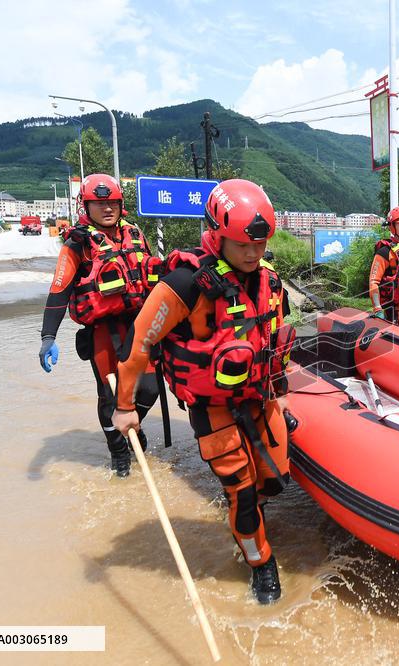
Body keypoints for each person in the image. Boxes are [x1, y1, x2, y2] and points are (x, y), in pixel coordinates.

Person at [111, 179, 294, 605]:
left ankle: (247, 526)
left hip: (260, 396)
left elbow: (273, 338)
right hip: (213, 407)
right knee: (242, 493)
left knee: (272, 482)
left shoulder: (270, 278)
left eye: (260, 244)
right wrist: (124, 407)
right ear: (215, 233)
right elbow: (138, 344)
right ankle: (260, 565)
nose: (253, 253)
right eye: (242, 244)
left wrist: (280, 390)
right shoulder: (184, 282)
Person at [38, 173, 160, 477]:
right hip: (103, 331)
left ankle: (131, 424)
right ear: (86, 206)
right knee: (109, 394)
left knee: (150, 388)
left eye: (112, 203)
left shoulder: (135, 233)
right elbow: (59, 289)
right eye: (99, 203)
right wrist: (47, 336)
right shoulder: (77, 244)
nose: (107, 208)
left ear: (121, 204)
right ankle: (118, 450)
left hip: (138, 323)